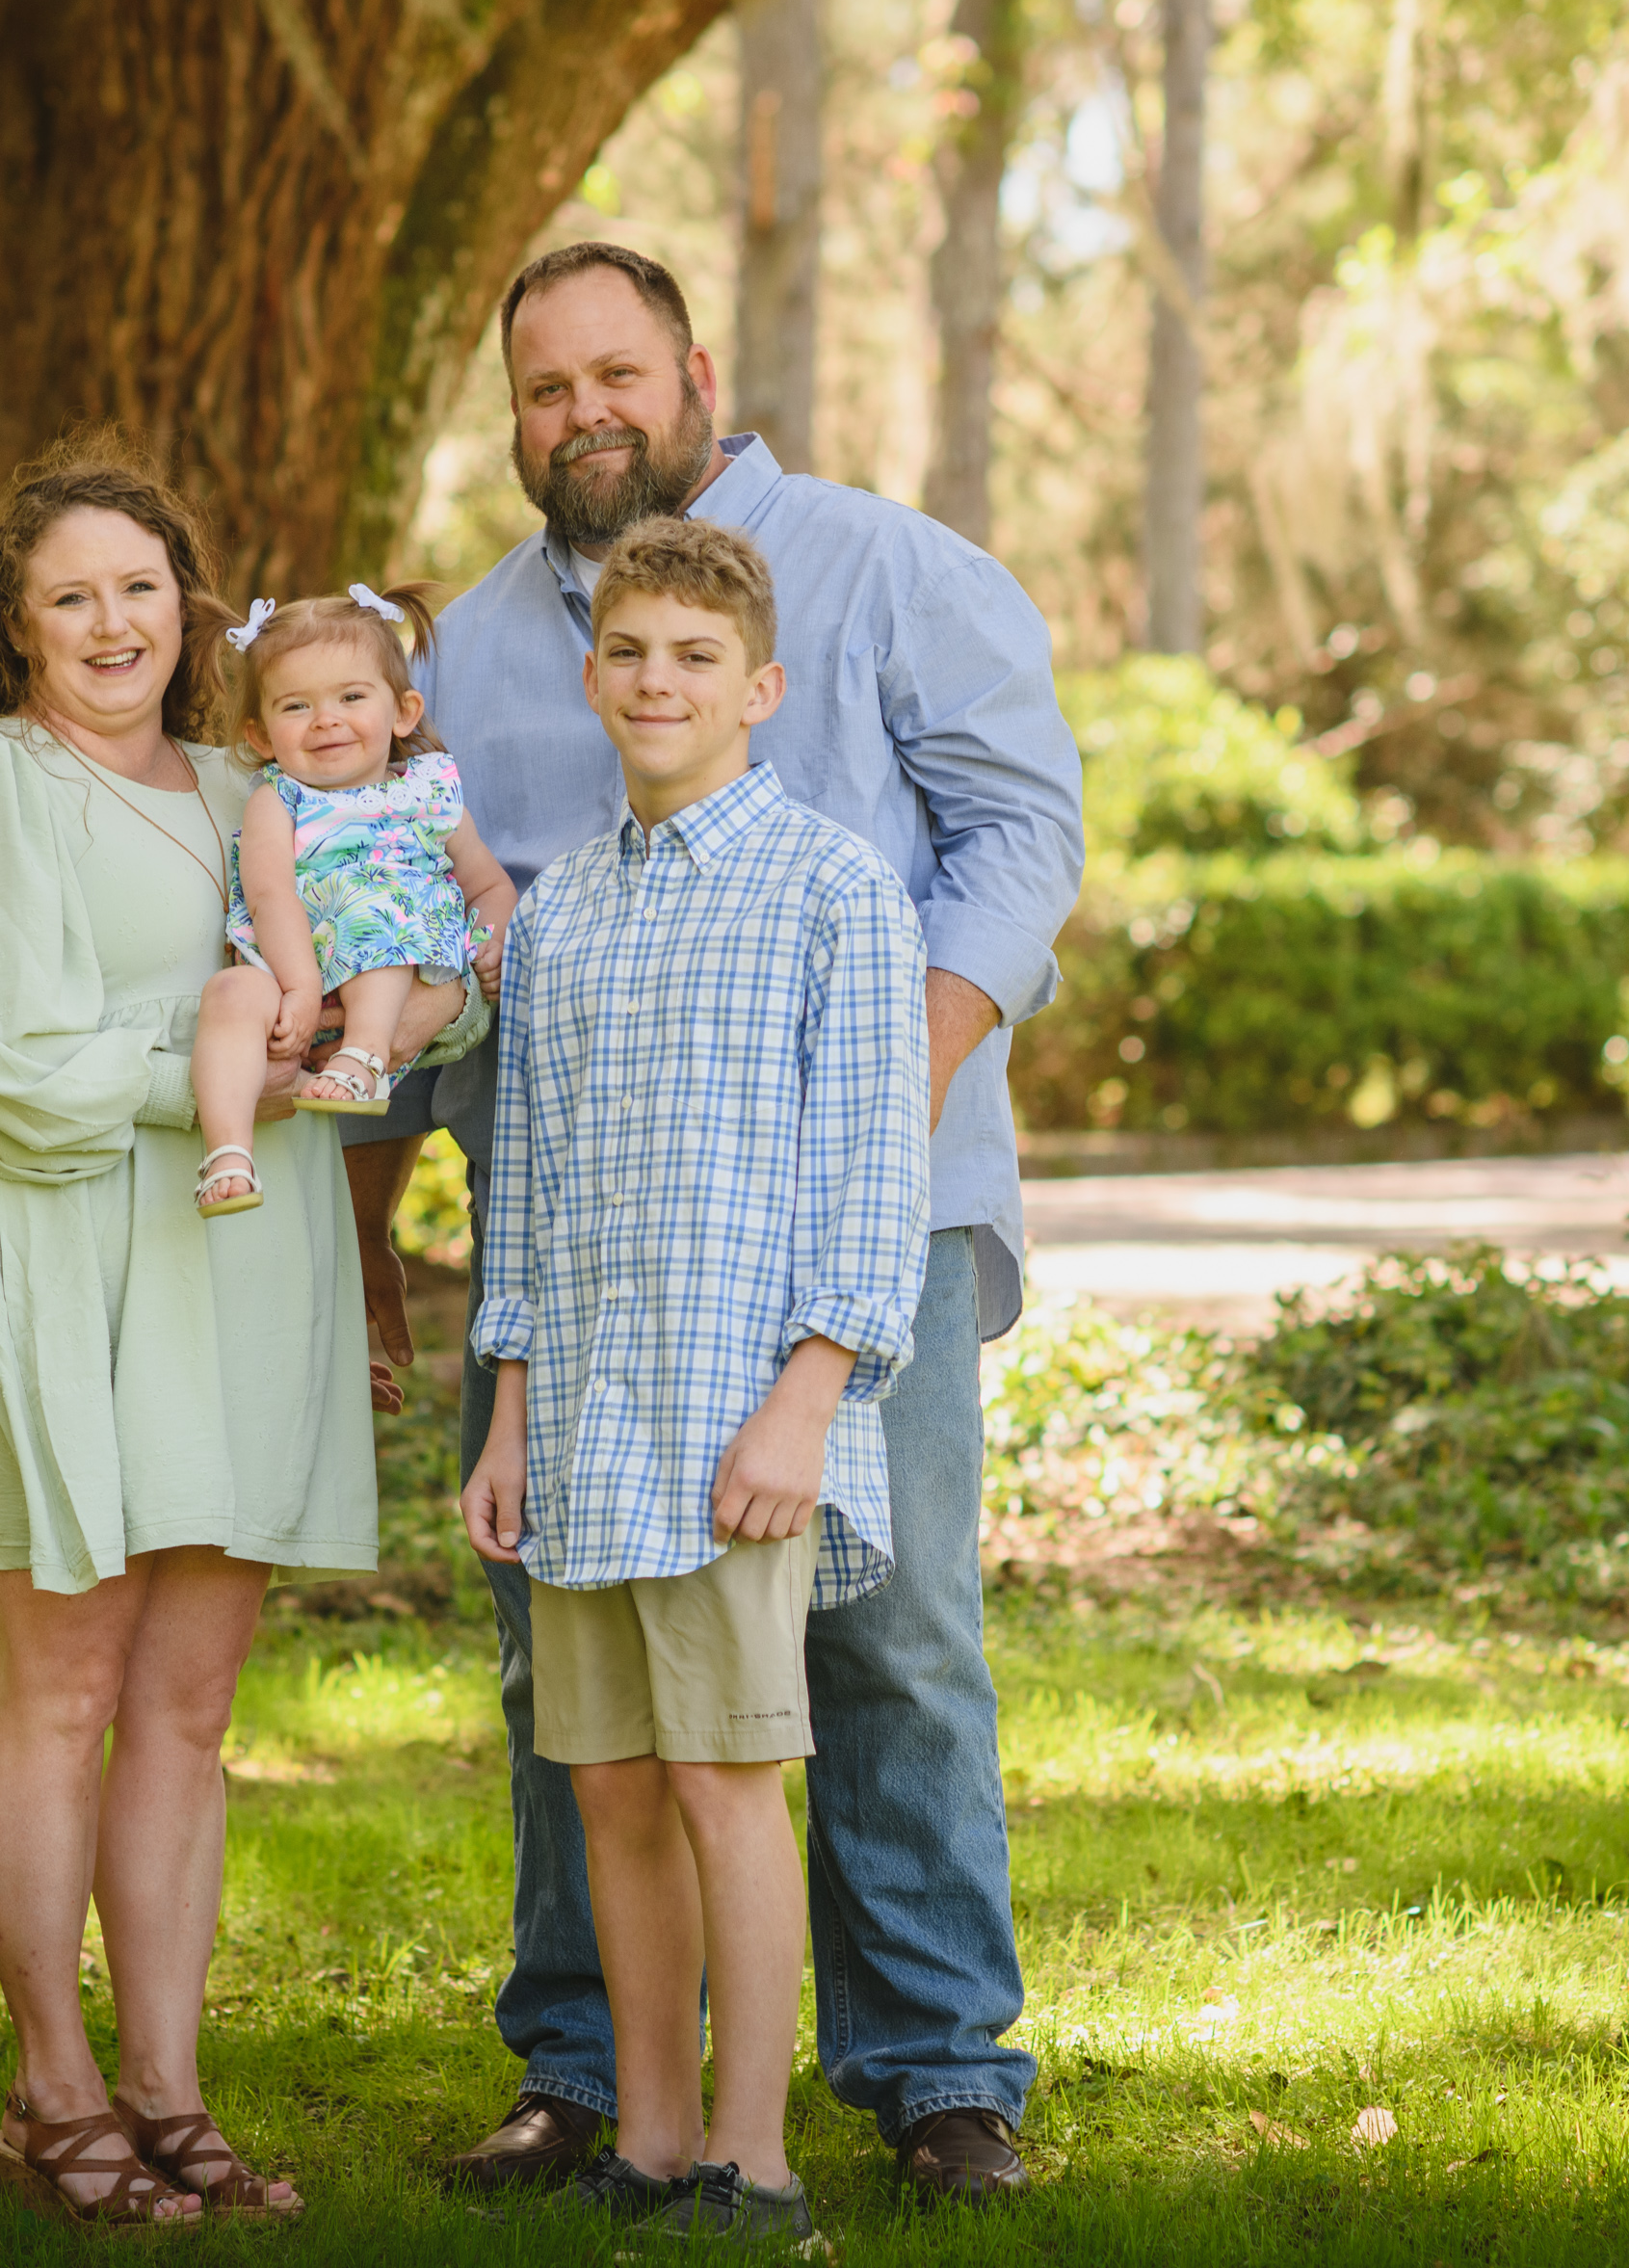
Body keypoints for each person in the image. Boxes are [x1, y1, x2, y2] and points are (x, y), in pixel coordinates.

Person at [348, 242, 1085, 2204]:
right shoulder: (486, 644)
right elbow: (450, 930)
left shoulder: (885, 565)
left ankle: (935, 2066)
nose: (581, 412)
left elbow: (1025, 830)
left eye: (614, 371)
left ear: (692, 367)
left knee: (890, 1629)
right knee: (574, 1671)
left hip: (867, 1210)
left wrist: (890, 1081)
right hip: (591, 1258)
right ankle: (594, 2065)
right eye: (540, 389)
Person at [0, 431, 372, 2229]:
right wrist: (210, 1075)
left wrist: (374, 1025)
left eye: (139, 587)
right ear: (14, 624)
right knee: (66, 1682)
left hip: (239, 1273)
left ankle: (167, 2084)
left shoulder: (262, 784)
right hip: (58, 1258)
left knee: (187, 1701)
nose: (109, 622)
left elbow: (376, 954)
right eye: (68, 593)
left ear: (190, 604)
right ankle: (48, 2085)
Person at [460, 518, 933, 2246]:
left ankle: (758, 2159)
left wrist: (809, 1395)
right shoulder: (563, 911)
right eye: (629, 653)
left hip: (739, 1422)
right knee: (608, 1784)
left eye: (692, 657)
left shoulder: (830, 890)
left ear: (759, 687)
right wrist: (508, 1411)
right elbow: (524, 1184)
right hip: (583, 1424)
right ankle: (648, 2140)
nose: (657, 681)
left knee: (730, 1779)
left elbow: (875, 1168)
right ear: (593, 676)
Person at [189, 582, 518, 1213]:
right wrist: (300, 987)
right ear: (261, 735)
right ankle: (228, 1151)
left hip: (394, 961)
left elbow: (487, 882)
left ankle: (362, 1057)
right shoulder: (276, 799)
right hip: (289, 967)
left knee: (377, 911)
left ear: (403, 711)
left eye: (351, 696)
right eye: (296, 706)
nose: (326, 719)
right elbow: (269, 896)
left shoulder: (428, 792)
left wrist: (493, 940)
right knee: (228, 994)